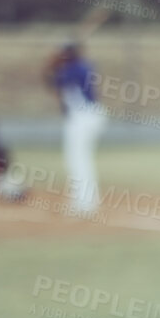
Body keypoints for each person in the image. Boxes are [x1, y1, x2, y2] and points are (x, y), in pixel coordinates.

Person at [44, 42, 106, 216]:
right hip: (87, 116)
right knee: (80, 158)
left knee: (77, 158)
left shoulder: (74, 69)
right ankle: (84, 200)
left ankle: (85, 203)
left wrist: (51, 64)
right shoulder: (80, 66)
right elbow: (53, 83)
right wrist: (52, 65)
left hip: (83, 118)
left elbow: (55, 81)